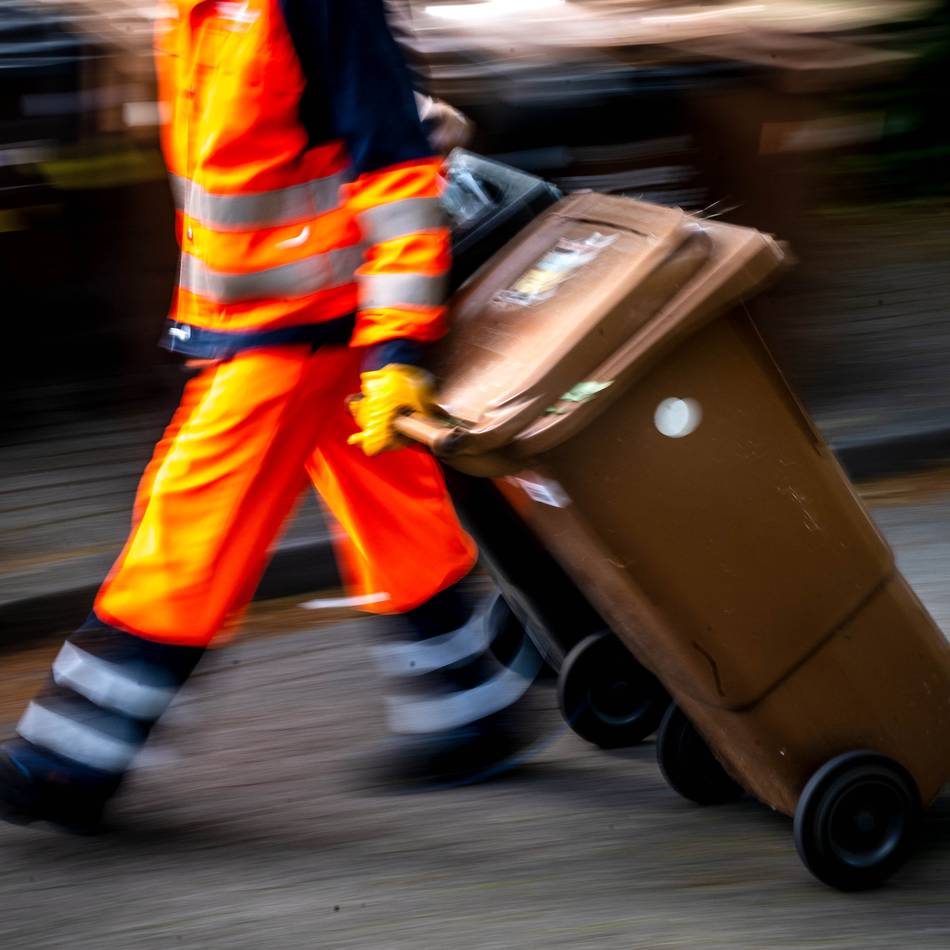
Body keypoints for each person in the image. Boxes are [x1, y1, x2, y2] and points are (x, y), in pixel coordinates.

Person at [0, 0, 540, 833]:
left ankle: (75, 749)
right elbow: (235, 174)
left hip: (309, 317)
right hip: (277, 314)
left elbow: (397, 176)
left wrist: (395, 346)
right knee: (388, 503)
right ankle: (468, 705)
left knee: (193, 513)